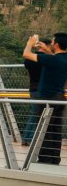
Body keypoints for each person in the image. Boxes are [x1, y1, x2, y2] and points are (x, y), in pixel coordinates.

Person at [23, 33, 67, 165]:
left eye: (52, 42)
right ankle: (54, 159)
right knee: (55, 130)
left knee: (44, 129)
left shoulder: (52, 60)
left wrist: (30, 44)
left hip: (47, 99)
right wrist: (47, 50)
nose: (51, 44)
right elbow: (55, 58)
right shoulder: (62, 59)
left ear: (57, 45)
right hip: (59, 98)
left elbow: (27, 55)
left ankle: (45, 160)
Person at [23, 39, 52, 146]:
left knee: (34, 113)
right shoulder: (47, 59)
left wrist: (30, 45)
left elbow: (26, 60)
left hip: (33, 89)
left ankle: (27, 138)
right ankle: (30, 138)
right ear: (47, 46)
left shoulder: (30, 59)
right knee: (40, 115)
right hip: (44, 90)